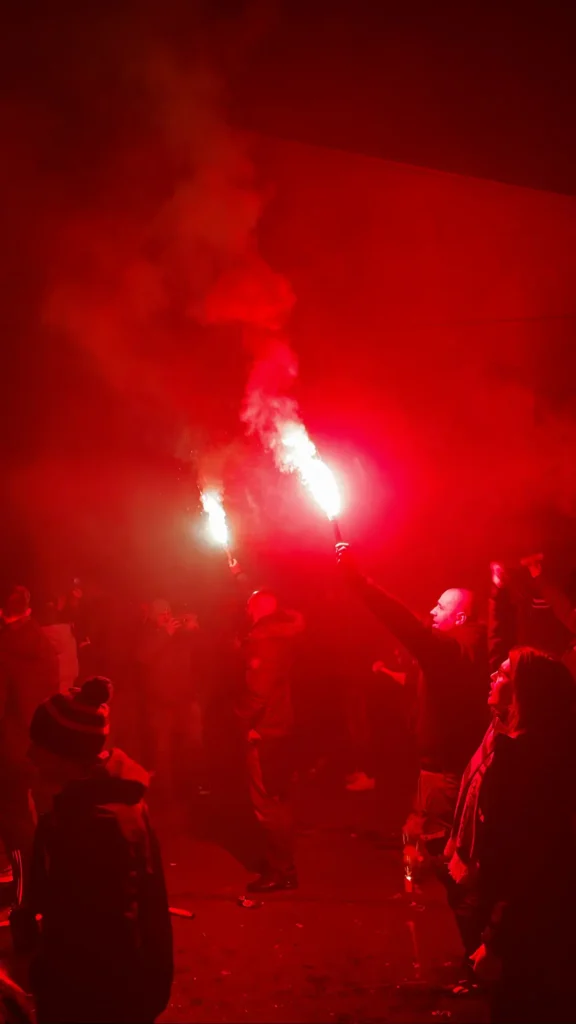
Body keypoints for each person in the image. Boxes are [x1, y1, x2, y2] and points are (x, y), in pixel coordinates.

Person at [20, 676, 173, 1024]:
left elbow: (98, 935)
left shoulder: (98, 823)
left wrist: (47, 977)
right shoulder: (98, 802)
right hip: (113, 991)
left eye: (39, 746)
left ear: (66, 754)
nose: (29, 755)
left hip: (99, 1000)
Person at [336, 544, 488, 865]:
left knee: (446, 858)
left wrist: (360, 583)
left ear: (460, 617)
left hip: (445, 775)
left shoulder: (452, 653)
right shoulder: (471, 646)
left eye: (441, 607)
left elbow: (408, 625)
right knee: (448, 849)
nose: (432, 610)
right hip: (448, 768)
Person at [452, 649, 576, 1023]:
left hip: (529, 926)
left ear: (526, 693)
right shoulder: (533, 749)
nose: (493, 675)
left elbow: (525, 860)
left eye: (505, 673)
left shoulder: (525, 762)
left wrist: (495, 938)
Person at [237, 589, 304, 893]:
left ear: (256, 610)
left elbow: (258, 692)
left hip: (266, 730)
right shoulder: (285, 635)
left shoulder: (263, 640)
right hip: (283, 725)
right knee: (280, 798)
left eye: (249, 607)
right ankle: (282, 864)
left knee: (267, 804)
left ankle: (281, 870)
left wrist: (241, 719)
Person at [0, 586, 59, 923]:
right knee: (32, 817)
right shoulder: (43, 644)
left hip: (10, 745)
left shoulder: (5, 649)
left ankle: (26, 900)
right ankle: (35, 884)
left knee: (15, 821)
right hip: (37, 742)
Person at [133, 598, 201, 804]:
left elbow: (201, 651)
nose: (167, 616)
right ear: (153, 616)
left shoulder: (181, 634)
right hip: (160, 702)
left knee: (189, 745)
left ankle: (189, 789)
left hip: (184, 700)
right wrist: (165, 633)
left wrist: (195, 629)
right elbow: (142, 656)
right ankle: (165, 796)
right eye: (161, 613)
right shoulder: (147, 633)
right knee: (162, 749)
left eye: (169, 611)